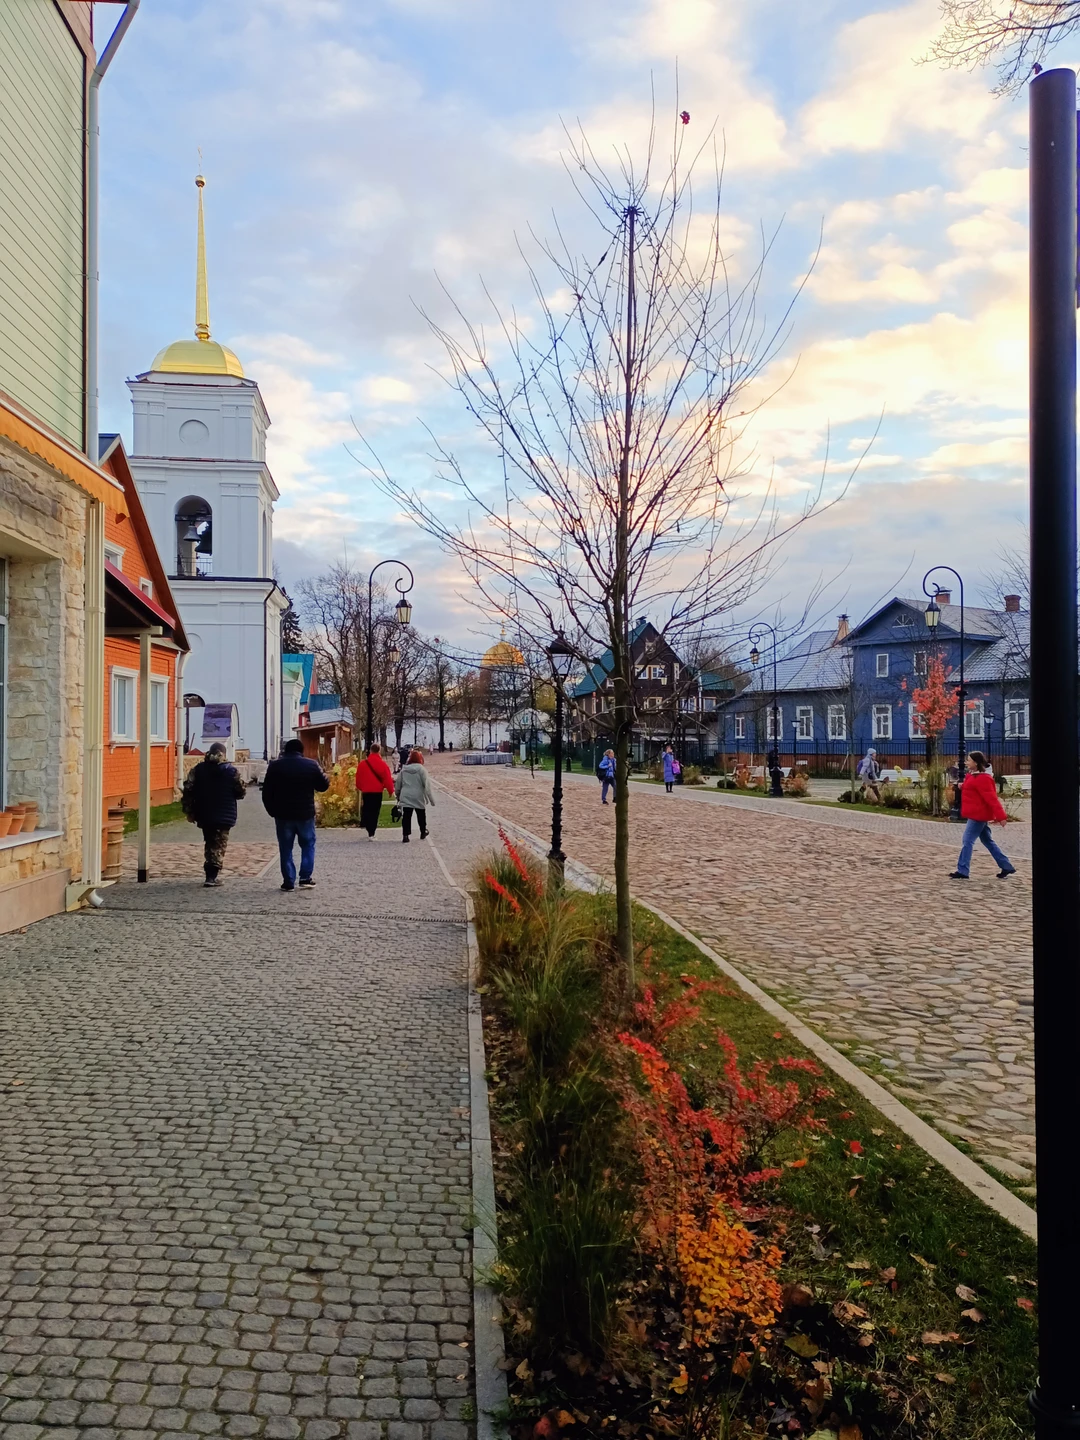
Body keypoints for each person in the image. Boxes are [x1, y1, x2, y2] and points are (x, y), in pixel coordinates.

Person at [261, 738, 330, 890]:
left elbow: (266, 792)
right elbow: (323, 786)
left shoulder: (275, 766)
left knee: (285, 848)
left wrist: (272, 810)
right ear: (301, 750)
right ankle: (305, 877)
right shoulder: (310, 765)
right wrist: (325, 776)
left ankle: (288, 881)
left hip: (283, 814)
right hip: (305, 814)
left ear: (286, 750)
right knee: (308, 845)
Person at [181, 742, 246, 887]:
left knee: (210, 841)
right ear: (223, 754)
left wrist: (189, 810)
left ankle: (210, 873)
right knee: (219, 844)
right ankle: (211, 876)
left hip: (204, 812)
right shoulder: (231, 771)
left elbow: (188, 790)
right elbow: (240, 792)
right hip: (225, 813)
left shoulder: (198, 769)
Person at [950, 751, 1016, 880]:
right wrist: (962, 786)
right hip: (976, 814)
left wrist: (1001, 817)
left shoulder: (984, 779)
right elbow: (972, 788)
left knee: (967, 841)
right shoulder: (972, 776)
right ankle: (1006, 866)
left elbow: (992, 799)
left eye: (969, 760)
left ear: (976, 762)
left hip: (978, 815)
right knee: (988, 841)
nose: (966, 762)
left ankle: (963, 870)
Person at [355, 743, 395, 839]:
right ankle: (371, 832)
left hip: (366, 791)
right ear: (379, 751)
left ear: (371, 751)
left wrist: (361, 787)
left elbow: (358, 779)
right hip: (377, 792)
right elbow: (387, 779)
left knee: (367, 809)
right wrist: (390, 791)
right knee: (375, 811)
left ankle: (368, 827)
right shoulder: (382, 764)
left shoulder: (362, 764)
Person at [396, 748, 434, 842]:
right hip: (418, 795)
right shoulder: (422, 770)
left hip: (406, 795)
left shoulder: (404, 770)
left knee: (406, 816)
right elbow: (427, 785)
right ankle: (422, 832)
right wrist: (431, 800)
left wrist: (398, 794)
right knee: (421, 815)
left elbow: (398, 784)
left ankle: (405, 835)